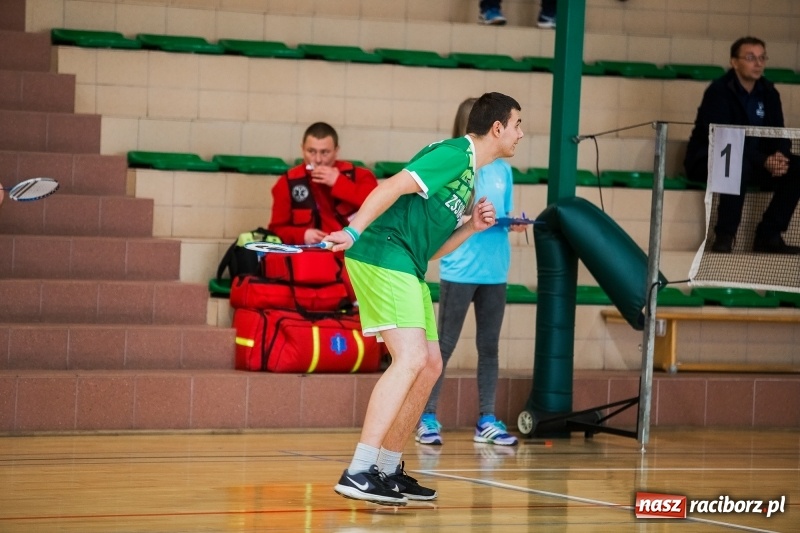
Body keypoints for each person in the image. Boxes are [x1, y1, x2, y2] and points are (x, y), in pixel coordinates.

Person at [325, 92, 523, 506]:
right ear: (497, 128)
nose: (522, 134)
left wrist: (470, 229)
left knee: (431, 364)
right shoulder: (455, 154)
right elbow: (394, 185)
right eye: (517, 125)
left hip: (410, 263)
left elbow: (431, 250)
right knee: (411, 359)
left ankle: (388, 468)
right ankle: (359, 470)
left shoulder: (469, 177)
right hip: (382, 253)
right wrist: (354, 230)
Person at [415, 98, 527, 449]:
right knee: (442, 347)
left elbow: (498, 215)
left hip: (495, 270)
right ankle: (427, 417)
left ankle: (487, 420)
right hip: (460, 268)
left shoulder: (504, 170)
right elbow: (455, 216)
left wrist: (513, 224)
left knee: (489, 348)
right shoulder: (459, 167)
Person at [684, 36, 800, 255]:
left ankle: (768, 236)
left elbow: (779, 132)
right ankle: (724, 236)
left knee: (797, 167)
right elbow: (722, 139)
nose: (758, 63)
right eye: (750, 57)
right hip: (710, 160)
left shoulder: (769, 92)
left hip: (756, 161)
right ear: (734, 62)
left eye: (761, 58)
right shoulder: (718, 92)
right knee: (736, 164)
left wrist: (780, 156)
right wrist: (763, 160)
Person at [268, 122, 378, 245]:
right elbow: (276, 230)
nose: (318, 159)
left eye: (325, 152)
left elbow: (378, 206)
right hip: (310, 255)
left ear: (336, 151)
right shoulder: (288, 182)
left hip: (354, 252)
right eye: (311, 151)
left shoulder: (360, 176)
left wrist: (339, 183)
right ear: (302, 149)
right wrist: (302, 235)